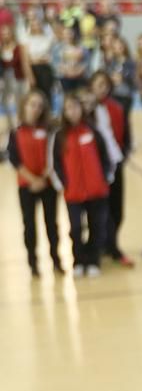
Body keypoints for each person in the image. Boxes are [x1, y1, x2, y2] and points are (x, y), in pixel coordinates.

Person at [50, 93, 111, 279]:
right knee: (75, 228)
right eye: (68, 108)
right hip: (73, 193)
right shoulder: (60, 136)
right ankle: (79, 260)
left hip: (96, 191)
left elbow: (104, 157)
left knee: (96, 226)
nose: (73, 111)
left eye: (76, 107)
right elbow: (57, 163)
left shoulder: (93, 131)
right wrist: (64, 184)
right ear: (64, 112)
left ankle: (93, 260)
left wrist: (103, 178)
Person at [8, 90, 60, 277]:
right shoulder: (16, 133)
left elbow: (54, 155)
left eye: (39, 105)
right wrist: (33, 180)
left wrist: (45, 177)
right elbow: (15, 160)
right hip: (27, 187)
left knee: (51, 224)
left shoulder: (49, 130)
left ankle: (56, 260)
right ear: (24, 106)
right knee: (29, 226)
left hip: (48, 185)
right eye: (32, 104)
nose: (35, 109)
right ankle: (33, 263)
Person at [89, 72, 131, 266]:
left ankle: (111, 243)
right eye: (99, 85)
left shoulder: (116, 108)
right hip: (95, 166)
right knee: (98, 209)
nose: (103, 89)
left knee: (117, 208)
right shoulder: (85, 110)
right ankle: (102, 246)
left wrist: (125, 152)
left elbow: (126, 133)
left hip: (116, 161)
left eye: (105, 85)